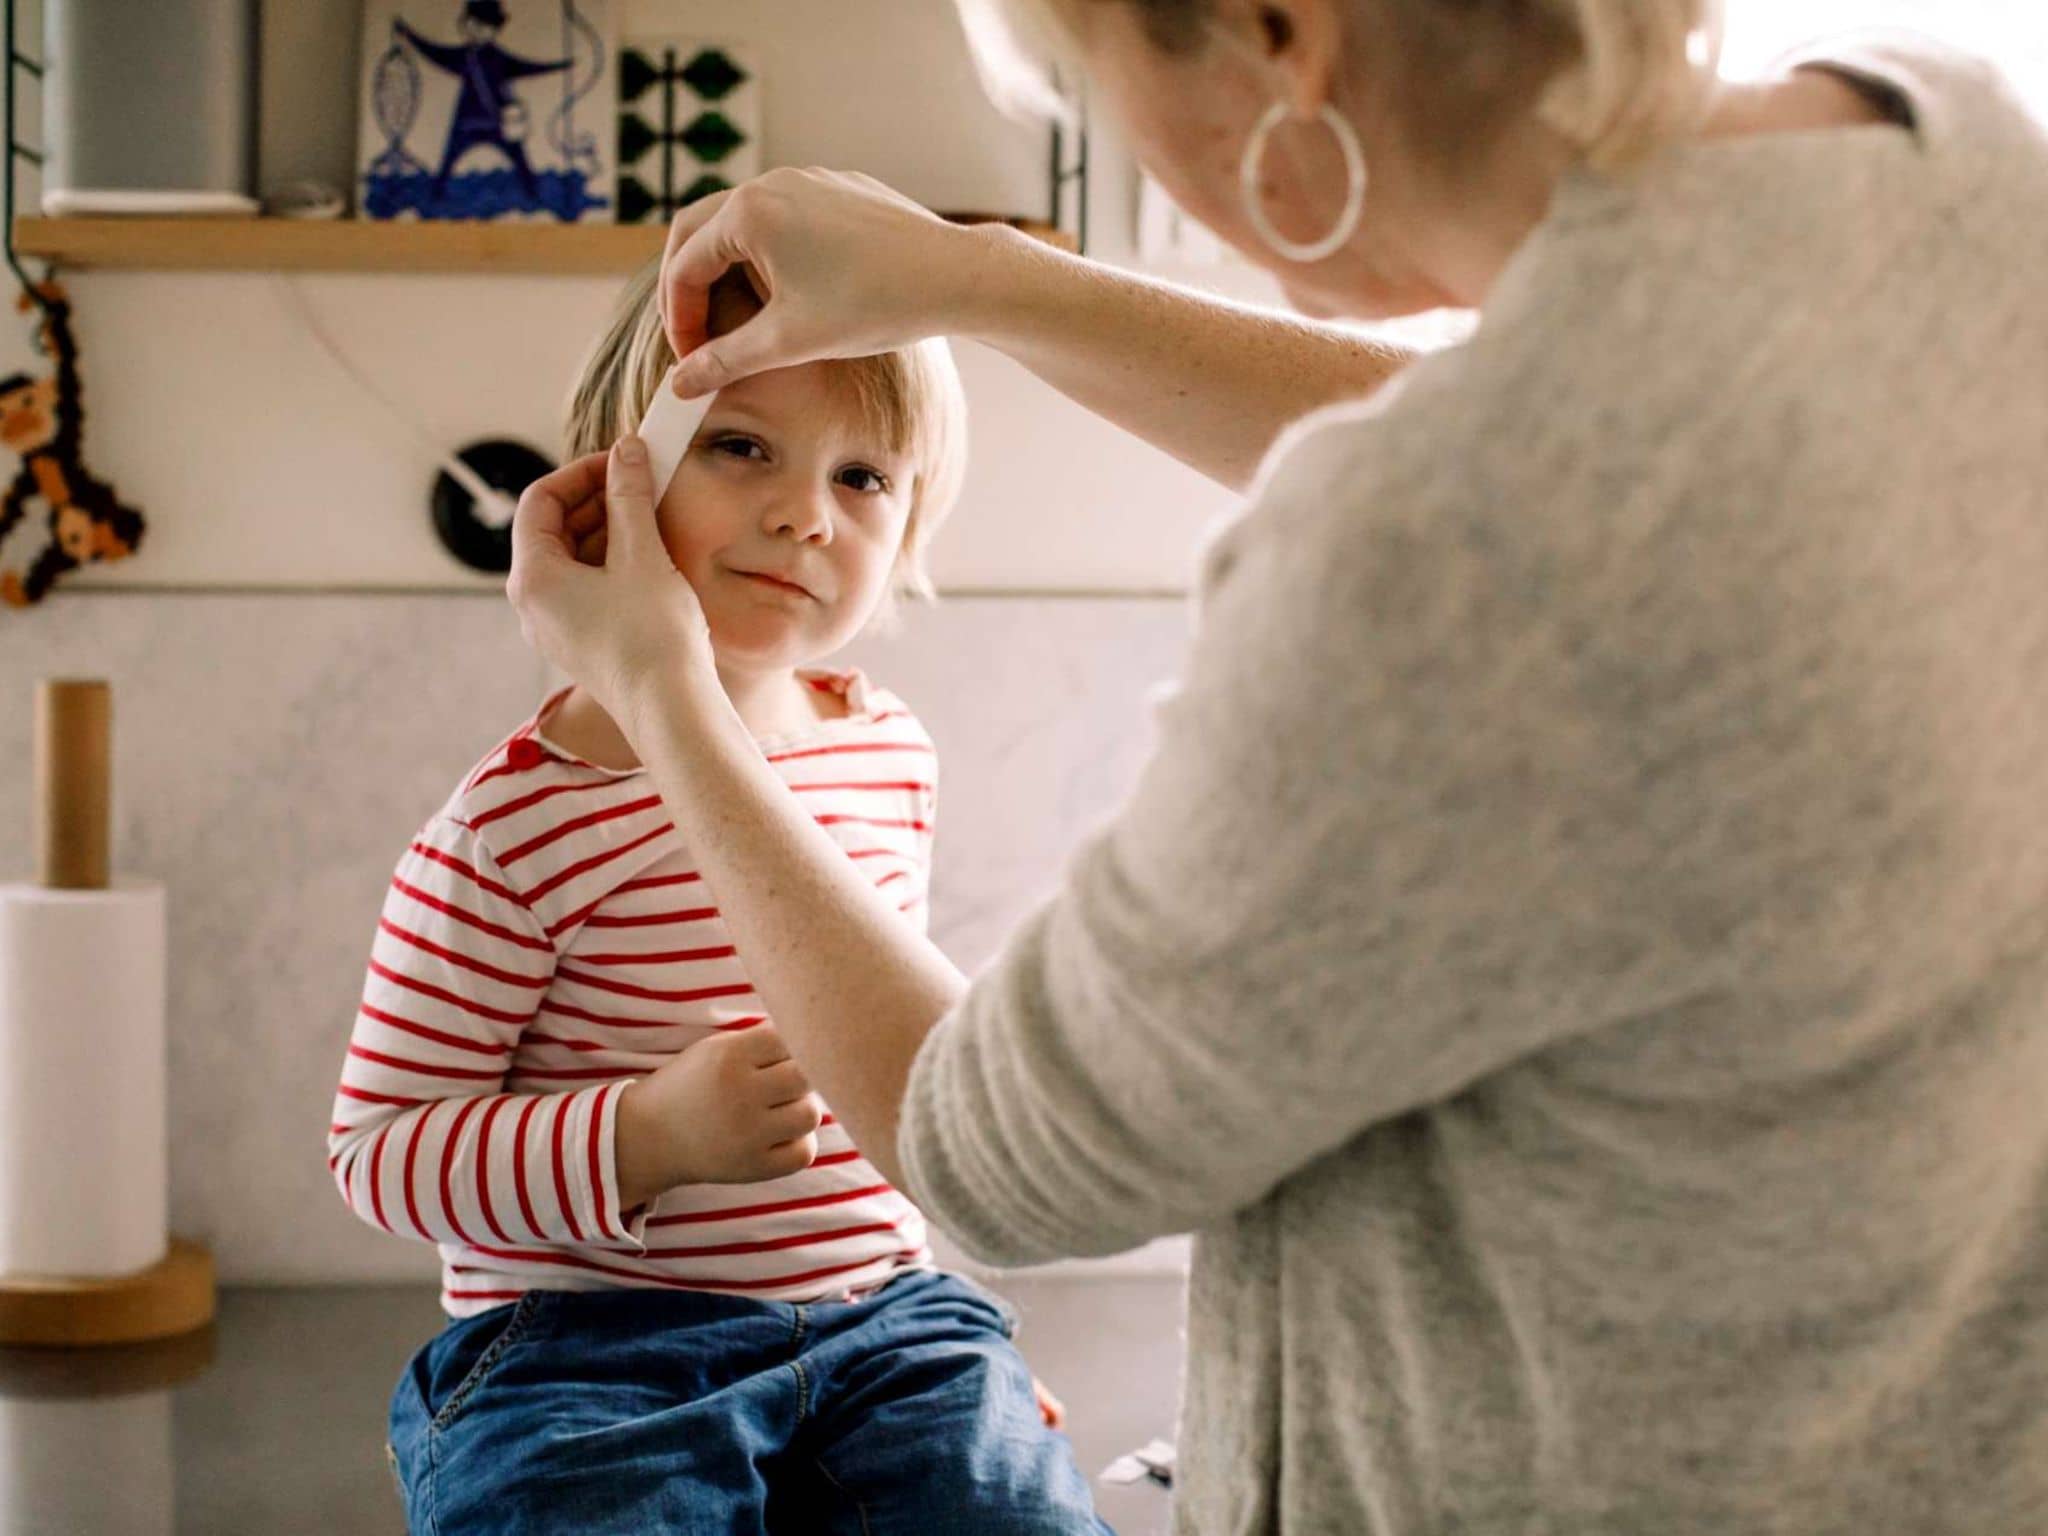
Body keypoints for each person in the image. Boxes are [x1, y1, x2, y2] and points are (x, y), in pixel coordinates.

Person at [505, 1, 2048, 1531]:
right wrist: (983, 279)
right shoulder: (1967, 156)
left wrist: (662, 691)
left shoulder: (1426, 567)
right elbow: (1602, 453)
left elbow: (992, 1157)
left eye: (1095, 91)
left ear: (1277, 34)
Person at [329, 260, 1108, 1534]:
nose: (807, 513)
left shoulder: (886, 751)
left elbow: (890, 1085)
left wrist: (960, 1369)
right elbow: (377, 1154)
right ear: (605, 489)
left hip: (881, 1325)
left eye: (862, 477)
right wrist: (645, 1137)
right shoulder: (514, 823)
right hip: (584, 1356)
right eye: (742, 445)